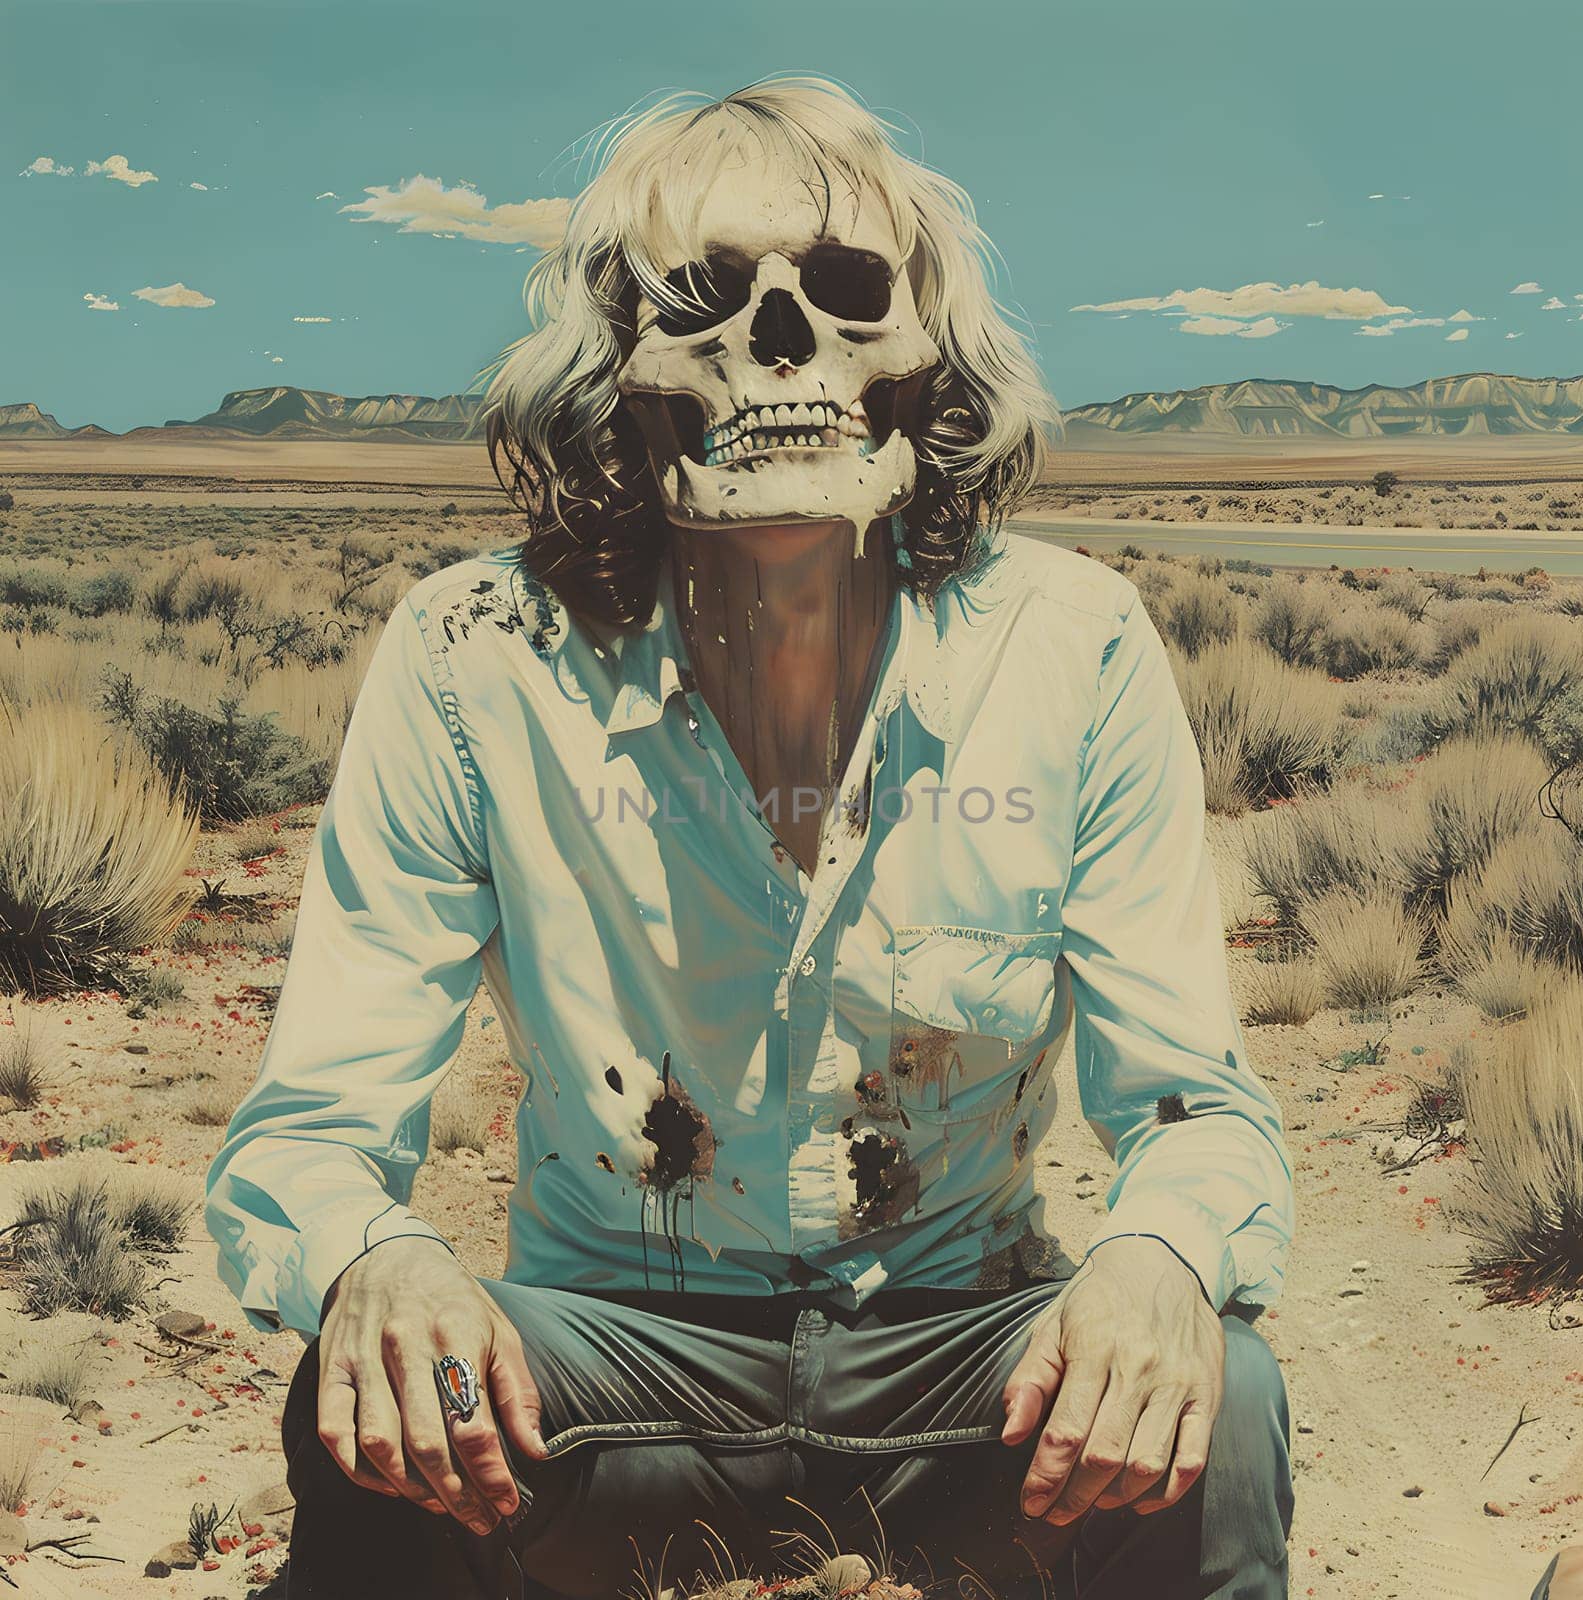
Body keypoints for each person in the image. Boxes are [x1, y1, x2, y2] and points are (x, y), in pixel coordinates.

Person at [204, 75, 1295, 1600]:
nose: (782, 343)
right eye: (704, 300)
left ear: (922, 367)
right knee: (385, 1398)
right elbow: (313, 1127)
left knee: (1221, 1397)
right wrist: (376, 1265)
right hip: (616, 1364)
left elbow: (1196, 1105)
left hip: (962, 1352)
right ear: (620, 373)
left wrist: (1160, 1261)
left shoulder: (1074, 648)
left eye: (845, 295)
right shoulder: (474, 658)